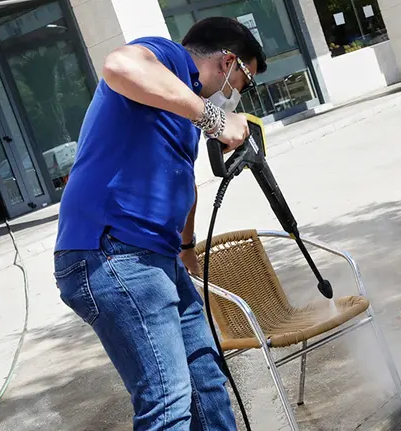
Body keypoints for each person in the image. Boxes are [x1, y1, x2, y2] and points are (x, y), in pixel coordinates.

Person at [52, 17, 266, 431]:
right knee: (167, 405)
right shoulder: (168, 59)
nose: (239, 96)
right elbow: (119, 67)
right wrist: (217, 121)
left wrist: (187, 250)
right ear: (227, 62)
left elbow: (181, 184)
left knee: (206, 385)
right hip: (112, 253)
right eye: (245, 82)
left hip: (158, 258)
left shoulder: (181, 110)